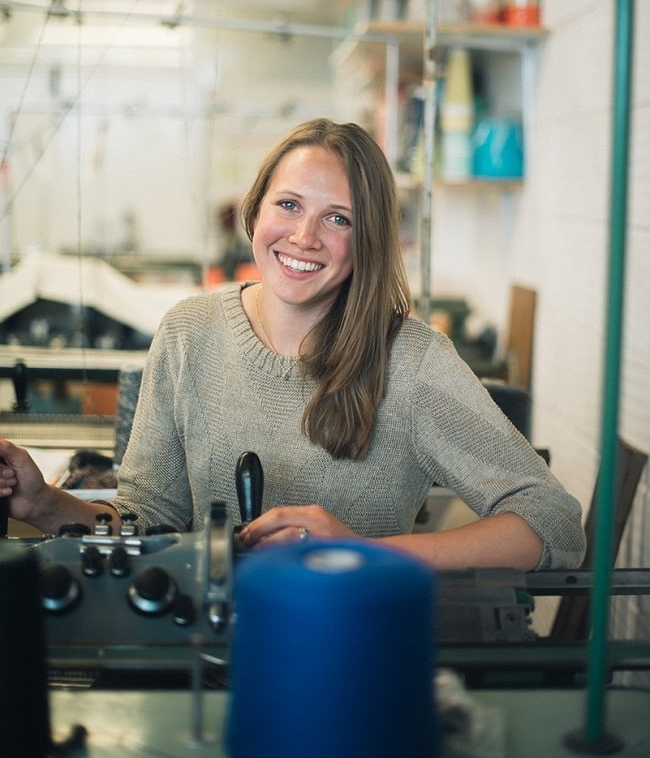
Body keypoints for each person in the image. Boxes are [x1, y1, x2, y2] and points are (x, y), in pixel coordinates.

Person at [0, 118, 585, 571]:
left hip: (348, 651)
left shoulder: (411, 361)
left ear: (369, 242)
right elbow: (152, 521)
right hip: (205, 648)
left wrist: (367, 553)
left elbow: (554, 524)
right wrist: (47, 504)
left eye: (340, 219)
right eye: (289, 205)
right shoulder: (188, 333)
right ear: (254, 212)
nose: (305, 237)